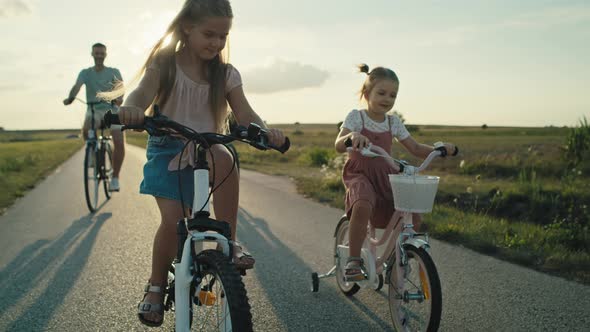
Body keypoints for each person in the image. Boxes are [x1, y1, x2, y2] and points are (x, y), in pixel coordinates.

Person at [100, 0, 285, 326]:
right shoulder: (165, 64)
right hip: (168, 147)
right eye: (209, 34)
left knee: (225, 156)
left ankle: (229, 243)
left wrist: (264, 132)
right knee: (174, 222)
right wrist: (132, 110)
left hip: (208, 146)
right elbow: (142, 93)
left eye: (223, 36)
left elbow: (245, 113)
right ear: (187, 27)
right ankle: (156, 286)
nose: (216, 43)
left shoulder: (226, 74)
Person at [334, 64, 457, 282]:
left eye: (393, 95)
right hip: (360, 175)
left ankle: (395, 260)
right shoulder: (356, 117)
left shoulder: (393, 122)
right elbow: (338, 144)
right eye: (381, 93)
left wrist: (440, 149)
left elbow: (416, 148)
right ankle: (353, 260)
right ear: (366, 93)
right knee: (362, 203)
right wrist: (352, 137)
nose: (387, 99)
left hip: (385, 177)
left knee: (412, 215)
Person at [63, 42, 125, 191]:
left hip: (111, 109)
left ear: (105, 54)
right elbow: (77, 86)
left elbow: (120, 89)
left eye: (101, 53)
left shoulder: (113, 71)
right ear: (92, 54)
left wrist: (118, 99)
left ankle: (115, 178)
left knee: (119, 141)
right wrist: (70, 97)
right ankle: (92, 152)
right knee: (86, 130)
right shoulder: (85, 73)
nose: (99, 56)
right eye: (96, 53)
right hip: (93, 109)